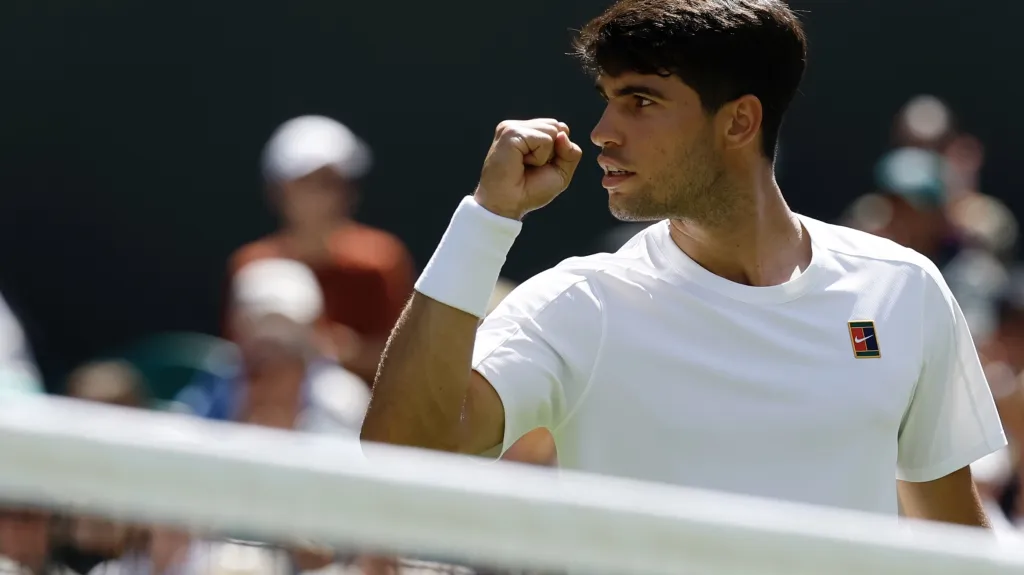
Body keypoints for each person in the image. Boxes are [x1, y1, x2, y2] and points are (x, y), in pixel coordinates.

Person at [362, 0, 1006, 526]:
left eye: (640, 101)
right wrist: (485, 219)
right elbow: (400, 457)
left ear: (738, 123)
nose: (602, 132)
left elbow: (952, 542)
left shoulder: (903, 290)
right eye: (608, 98)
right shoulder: (578, 305)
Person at [228, 115, 415, 385]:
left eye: (331, 183)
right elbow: (238, 359)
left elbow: (405, 358)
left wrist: (340, 352)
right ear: (278, 191)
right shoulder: (250, 264)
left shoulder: (382, 260)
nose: (321, 196)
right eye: (306, 182)